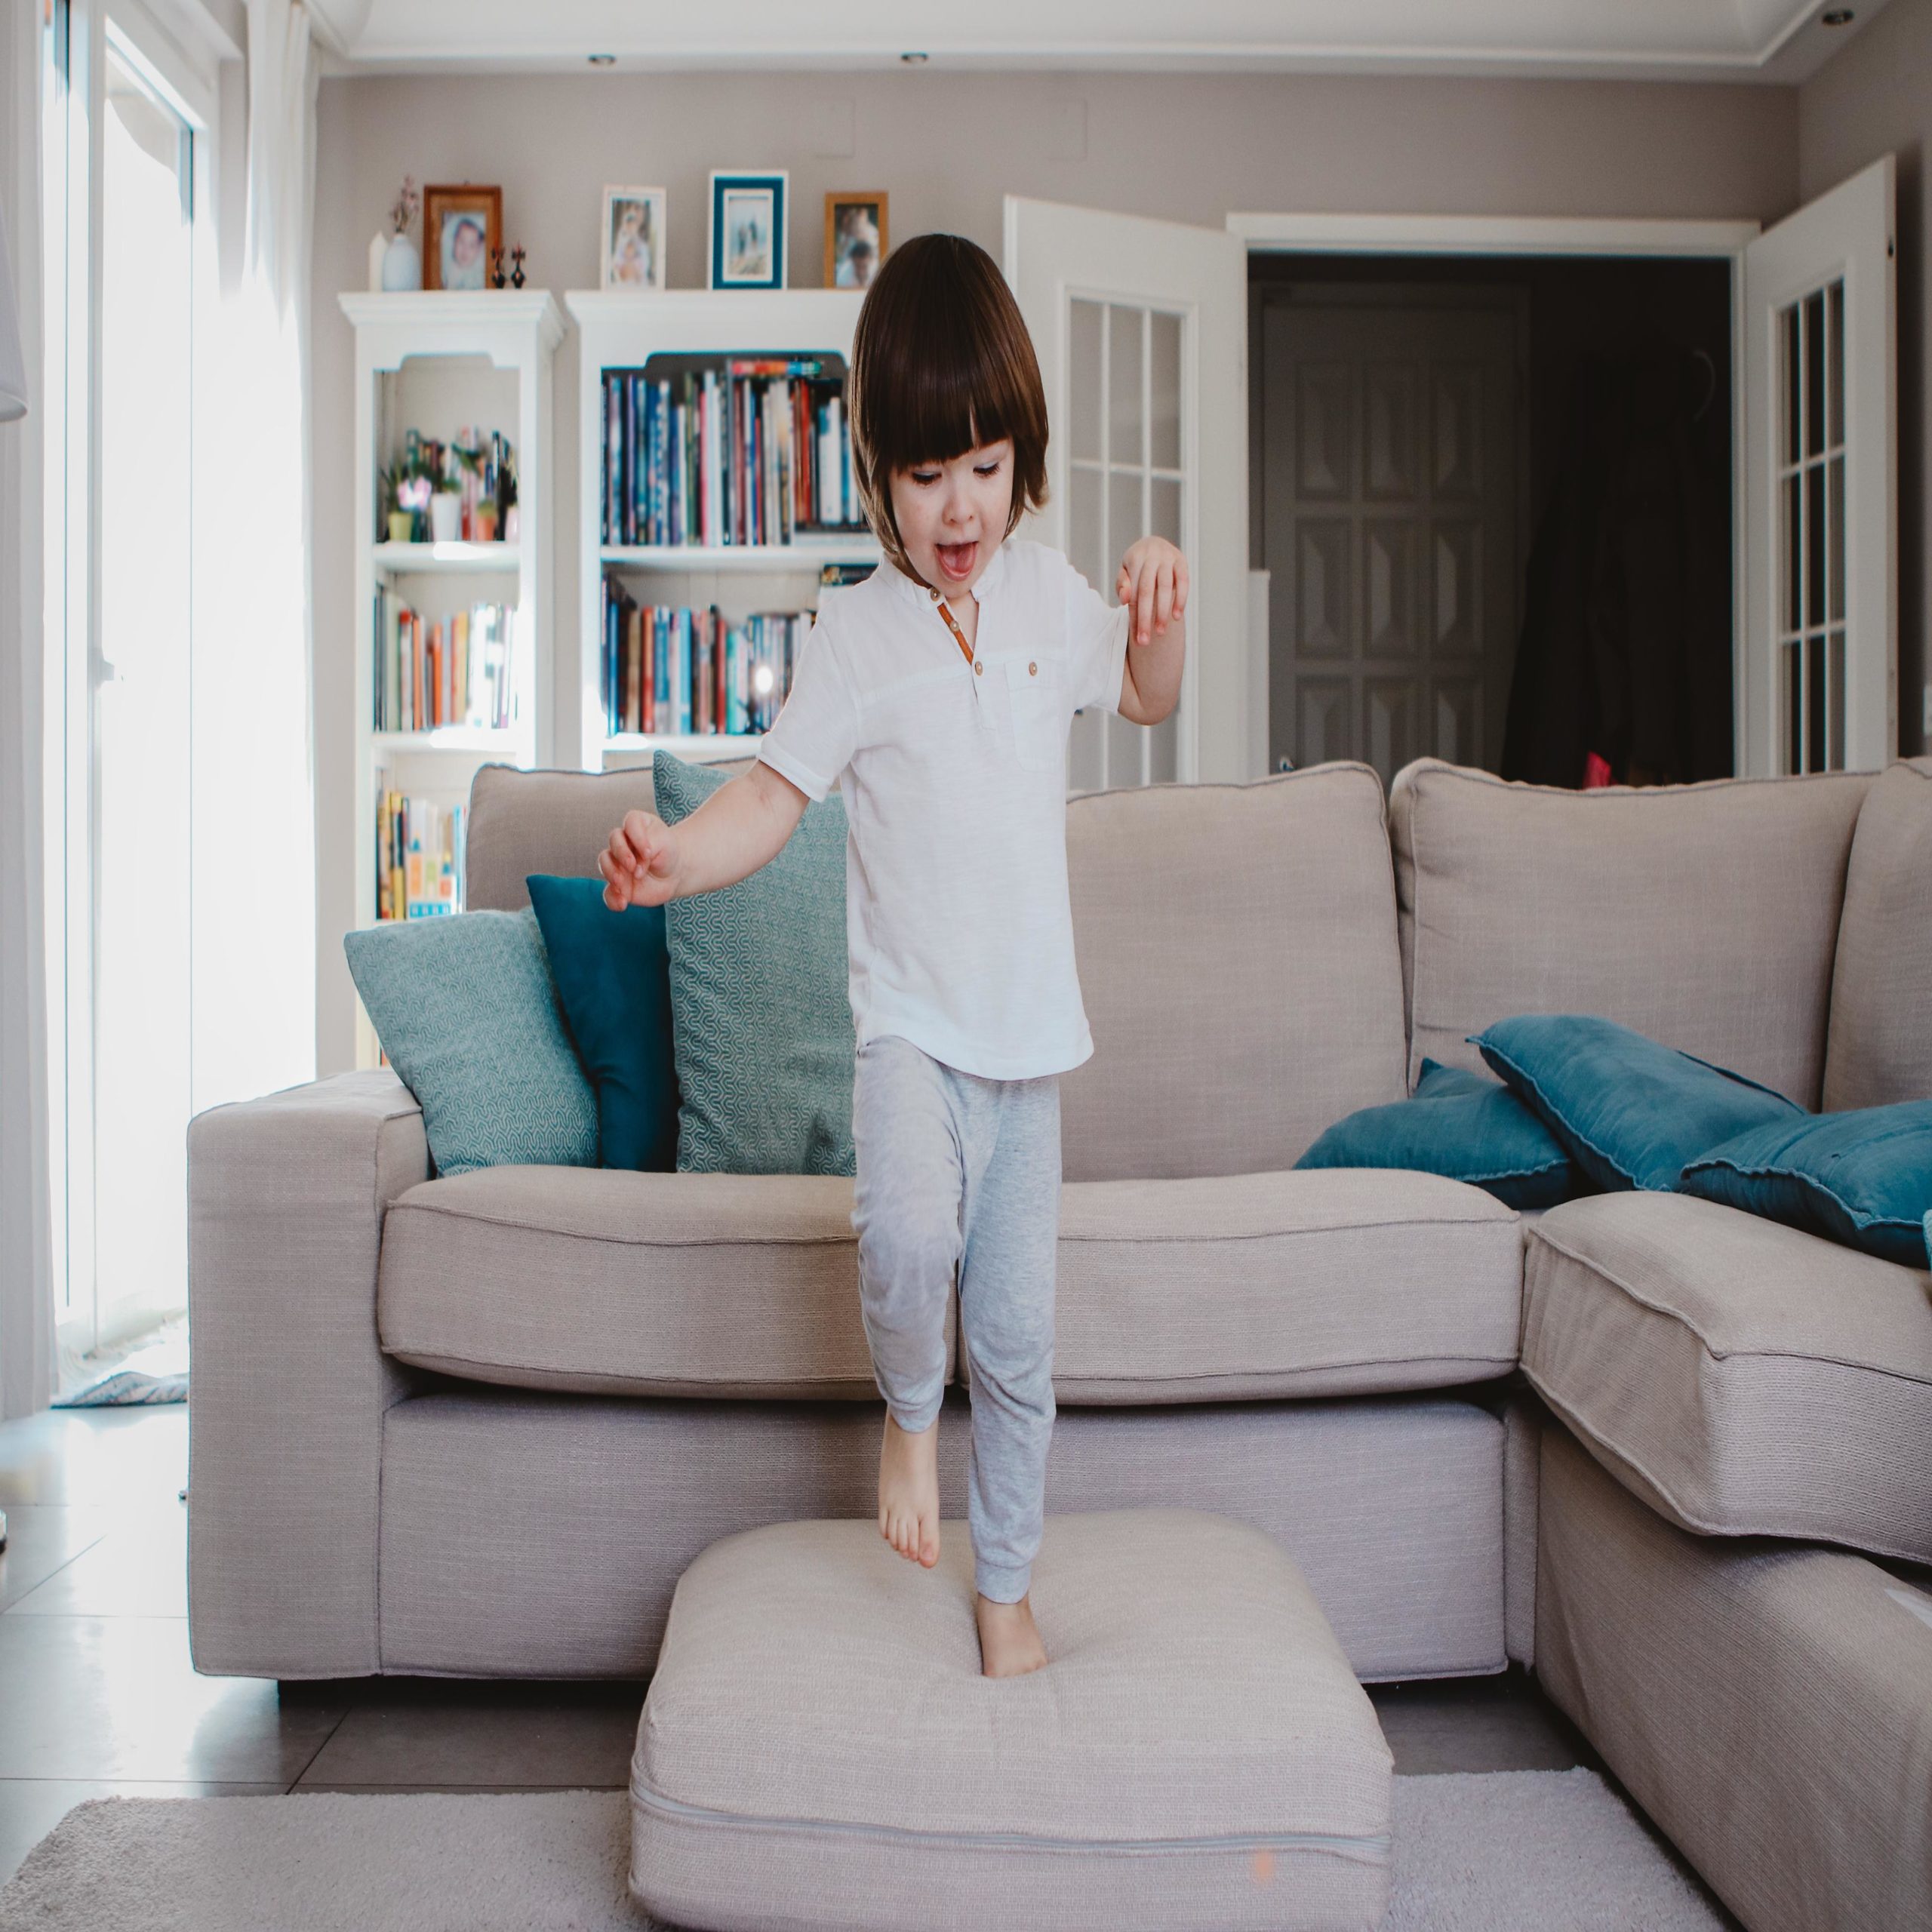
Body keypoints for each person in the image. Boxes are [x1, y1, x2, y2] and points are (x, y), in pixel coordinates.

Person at [596, 232, 1187, 1678]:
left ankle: (1006, 1593)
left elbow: (1151, 698)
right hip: (911, 1035)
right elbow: (767, 800)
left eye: (983, 466)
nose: (958, 506)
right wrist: (673, 863)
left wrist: (1165, 607)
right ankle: (909, 1418)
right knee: (911, 1239)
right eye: (925, 477)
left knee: (1027, 1346)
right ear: (878, 473)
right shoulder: (853, 638)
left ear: (1022, 454)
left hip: (1031, 1053)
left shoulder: (1052, 601)